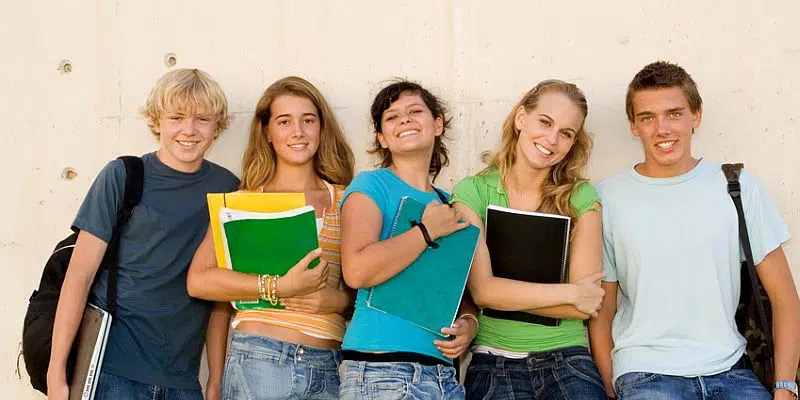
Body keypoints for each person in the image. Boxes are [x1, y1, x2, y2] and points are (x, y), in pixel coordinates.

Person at [593, 60, 800, 400]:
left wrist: (785, 387)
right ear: (634, 125)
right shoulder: (608, 197)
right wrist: (609, 386)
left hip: (731, 373)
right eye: (647, 117)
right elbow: (603, 310)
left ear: (696, 116)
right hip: (645, 375)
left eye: (674, 113)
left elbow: (785, 298)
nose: (662, 128)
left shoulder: (736, 186)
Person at [46, 68, 240, 400]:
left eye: (202, 119)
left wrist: (215, 380)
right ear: (157, 121)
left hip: (182, 380)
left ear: (216, 127)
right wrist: (57, 374)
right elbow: (79, 276)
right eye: (176, 117)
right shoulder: (123, 176)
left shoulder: (228, 190)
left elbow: (219, 298)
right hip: (110, 372)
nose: (188, 130)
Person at [186, 76, 356, 399]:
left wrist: (339, 301)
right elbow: (200, 281)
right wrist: (277, 287)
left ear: (322, 127)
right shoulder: (243, 202)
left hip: (330, 366)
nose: (298, 132)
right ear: (267, 131)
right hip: (260, 360)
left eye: (308, 120)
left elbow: (369, 288)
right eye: (284, 121)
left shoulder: (349, 201)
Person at [451, 79, 608, 399]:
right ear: (521, 118)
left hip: (568, 361)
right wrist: (569, 292)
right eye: (545, 122)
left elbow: (586, 305)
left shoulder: (581, 196)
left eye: (566, 133)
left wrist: (508, 294)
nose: (552, 139)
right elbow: (483, 292)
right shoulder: (473, 192)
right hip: (493, 363)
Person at [338, 80, 478, 399]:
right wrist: (426, 231)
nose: (405, 119)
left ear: (437, 124)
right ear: (381, 139)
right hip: (381, 368)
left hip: (442, 373)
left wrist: (469, 323)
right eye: (392, 117)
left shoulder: (447, 203)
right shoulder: (372, 186)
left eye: (415, 111)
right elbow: (357, 271)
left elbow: (456, 288)